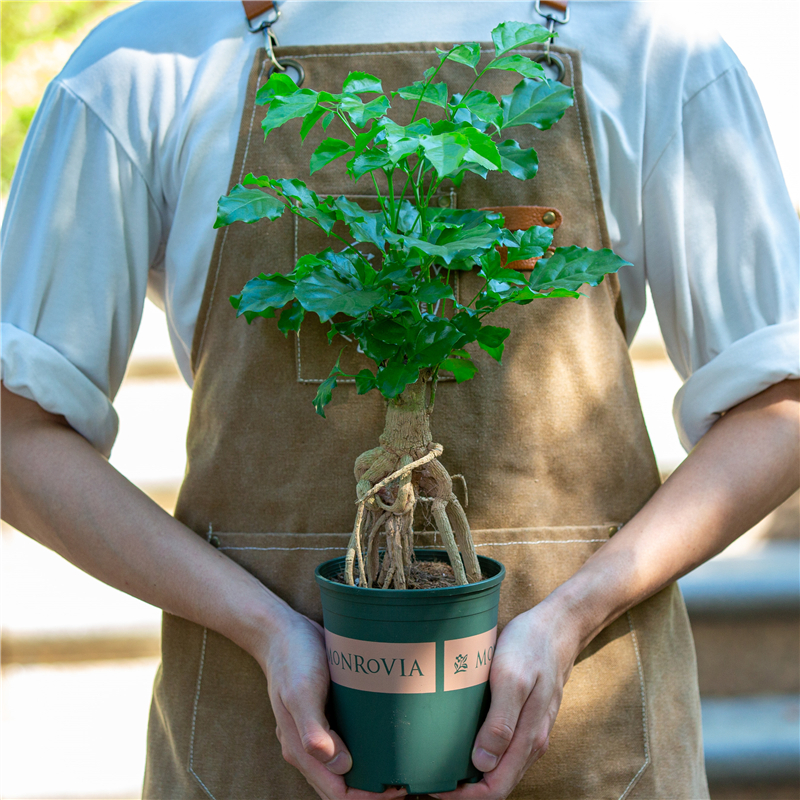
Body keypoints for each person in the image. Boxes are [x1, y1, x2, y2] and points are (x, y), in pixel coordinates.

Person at [2, 2, 797, 799]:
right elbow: (16, 434)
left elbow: (781, 407)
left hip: (594, 747)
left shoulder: (653, 55)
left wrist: (573, 614)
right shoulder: (145, 65)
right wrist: (264, 627)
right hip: (256, 745)